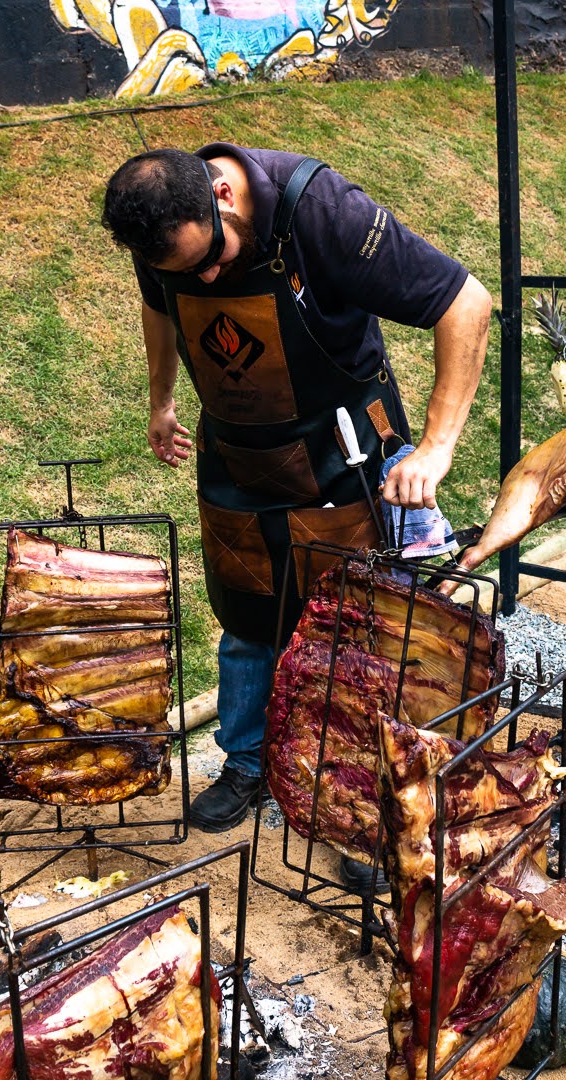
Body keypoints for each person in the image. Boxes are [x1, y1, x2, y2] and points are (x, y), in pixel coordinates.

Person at [101, 144, 492, 860]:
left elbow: (465, 302)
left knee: (360, 630)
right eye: (190, 272)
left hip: (339, 450)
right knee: (248, 615)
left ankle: (359, 797)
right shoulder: (159, 230)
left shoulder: (321, 210)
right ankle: (248, 763)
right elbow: (159, 305)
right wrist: (161, 400)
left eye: (212, 257)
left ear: (221, 193)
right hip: (237, 454)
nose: (210, 276)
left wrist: (436, 447)